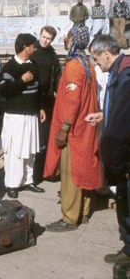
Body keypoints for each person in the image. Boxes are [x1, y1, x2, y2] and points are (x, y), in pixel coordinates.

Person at [44, 24, 102, 232]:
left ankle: (70, 217)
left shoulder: (74, 66)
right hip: (86, 127)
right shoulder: (87, 63)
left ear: (74, 40)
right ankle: (84, 212)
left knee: (71, 174)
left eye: (68, 36)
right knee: (85, 168)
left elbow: (73, 100)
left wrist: (64, 127)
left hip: (75, 129)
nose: (65, 39)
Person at [85, 34, 130, 265]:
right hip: (121, 153)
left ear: (106, 54)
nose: (95, 64)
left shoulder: (126, 75)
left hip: (125, 156)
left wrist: (119, 160)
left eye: (96, 59)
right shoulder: (118, 71)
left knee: (127, 205)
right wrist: (104, 115)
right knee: (124, 203)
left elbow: (125, 121)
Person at [0, 33, 46, 199]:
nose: (35, 47)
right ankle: (12, 183)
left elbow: (39, 90)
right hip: (16, 116)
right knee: (15, 151)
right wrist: (22, 81)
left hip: (31, 115)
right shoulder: (10, 67)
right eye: (33, 45)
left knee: (31, 149)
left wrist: (40, 108)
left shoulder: (33, 65)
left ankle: (28, 180)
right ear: (25, 47)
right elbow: (3, 91)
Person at [32, 26, 61, 186]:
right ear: (39, 35)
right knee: (32, 139)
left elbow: (57, 78)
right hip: (33, 99)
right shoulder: (31, 50)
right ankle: (33, 174)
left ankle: (42, 172)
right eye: (43, 37)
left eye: (49, 39)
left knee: (44, 138)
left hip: (48, 100)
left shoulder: (52, 56)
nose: (45, 40)